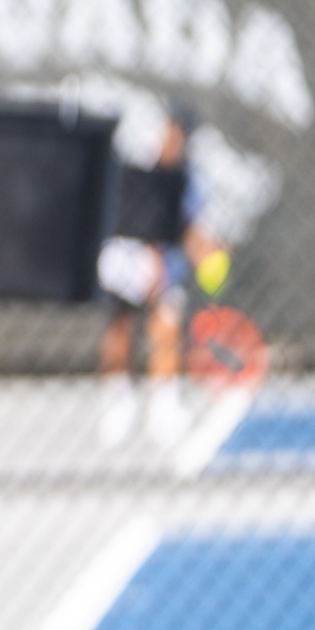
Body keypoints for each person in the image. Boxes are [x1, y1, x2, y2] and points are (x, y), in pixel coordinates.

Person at [96, 102, 231, 448]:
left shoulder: (189, 180)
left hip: (165, 263)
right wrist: (144, 254)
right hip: (123, 258)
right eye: (170, 133)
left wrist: (206, 249)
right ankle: (117, 405)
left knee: (167, 328)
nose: (175, 141)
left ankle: (164, 408)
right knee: (119, 329)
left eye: (181, 136)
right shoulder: (130, 166)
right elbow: (118, 215)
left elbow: (191, 227)